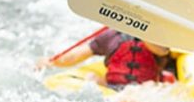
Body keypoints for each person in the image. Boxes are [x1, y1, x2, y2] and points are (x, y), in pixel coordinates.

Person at [37, 28, 172, 87]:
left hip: (144, 88)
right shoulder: (111, 35)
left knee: (146, 89)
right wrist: (51, 61)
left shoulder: (156, 39)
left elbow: (162, 50)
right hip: (112, 86)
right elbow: (76, 56)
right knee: (90, 78)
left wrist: (142, 28)